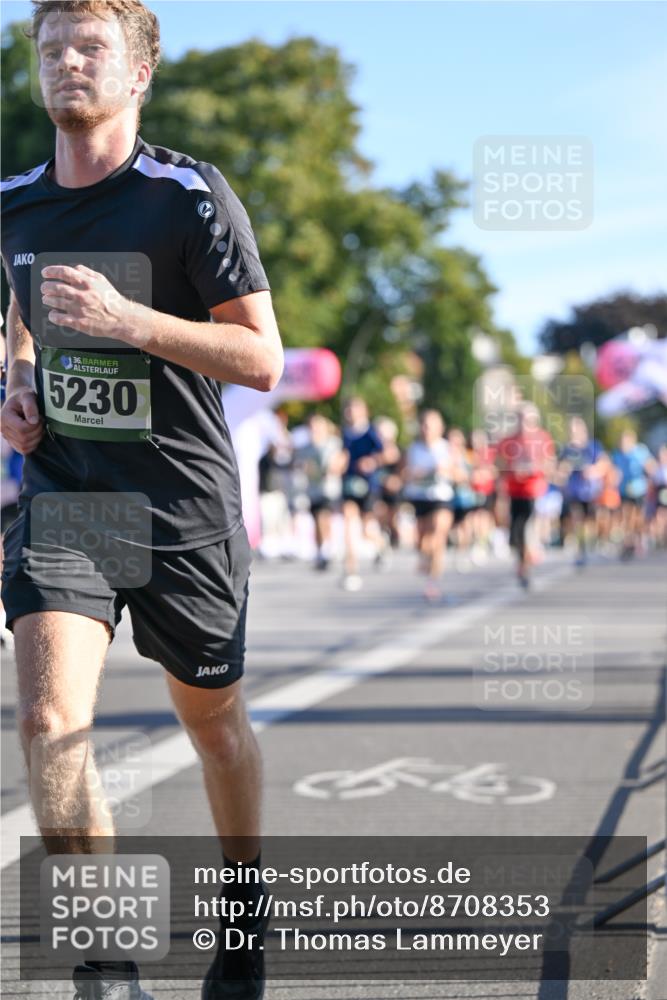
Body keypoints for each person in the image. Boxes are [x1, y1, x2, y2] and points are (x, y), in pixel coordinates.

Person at [0, 3, 283, 998]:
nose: (68, 64)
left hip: (182, 507)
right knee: (47, 721)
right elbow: (22, 310)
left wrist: (128, 319)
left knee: (212, 724)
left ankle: (245, 908)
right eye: (52, 49)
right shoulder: (15, 201)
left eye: (91, 49)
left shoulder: (187, 196)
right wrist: (18, 383)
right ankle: (107, 964)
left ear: (138, 73)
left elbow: (260, 358)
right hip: (71, 497)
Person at [496, 404, 555, 588]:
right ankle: (522, 562)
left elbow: (550, 465)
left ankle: (528, 560)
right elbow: (499, 466)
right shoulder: (508, 442)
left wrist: (533, 468)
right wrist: (510, 472)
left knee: (528, 527)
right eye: (521, 419)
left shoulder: (543, 439)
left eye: (528, 419)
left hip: (533, 490)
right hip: (513, 491)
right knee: (515, 531)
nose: (524, 424)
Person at [402, 410, 455, 601]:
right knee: (422, 542)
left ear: (440, 428)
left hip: (440, 496)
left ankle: (433, 583)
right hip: (419, 497)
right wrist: (413, 474)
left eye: (430, 426)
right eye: (423, 425)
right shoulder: (413, 449)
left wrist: (445, 470)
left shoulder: (446, 447)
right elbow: (404, 472)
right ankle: (425, 558)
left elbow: (456, 471)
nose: (426, 430)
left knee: (438, 534)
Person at [340, 396, 385, 590]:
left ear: (364, 411)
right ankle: (351, 571)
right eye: (348, 409)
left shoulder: (370, 432)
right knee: (350, 525)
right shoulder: (343, 434)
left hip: (367, 486)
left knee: (367, 529)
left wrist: (372, 462)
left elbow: (389, 453)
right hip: (348, 485)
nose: (351, 413)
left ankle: (382, 545)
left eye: (355, 409)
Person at [293, 412, 345, 569]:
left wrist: (334, 467)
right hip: (313, 489)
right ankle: (321, 551)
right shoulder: (305, 448)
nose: (314, 429)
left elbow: (339, 461)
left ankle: (327, 548)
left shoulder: (333, 443)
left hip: (329, 488)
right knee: (316, 520)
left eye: (317, 426)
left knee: (324, 517)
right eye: (312, 426)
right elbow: (298, 464)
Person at [558, 416, 607, 566]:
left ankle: (591, 544)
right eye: (571, 431)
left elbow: (604, 463)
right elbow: (560, 469)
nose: (574, 434)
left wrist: (592, 471)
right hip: (574, 491)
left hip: (590, 491)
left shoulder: (592, 446)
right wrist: (563, 471)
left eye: (576, 430)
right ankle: (581, 550)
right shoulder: (567, 449)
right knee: (576, 519)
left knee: (590, 520)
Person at [612, 429, 656, 559]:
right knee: (626, 515)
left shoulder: (640, 452)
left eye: (626, 441)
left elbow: (651, 466)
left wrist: (649, 476)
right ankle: (628, 540)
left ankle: (639, 538)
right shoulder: (617, 455)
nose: (623, 444)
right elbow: (614, 471)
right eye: (621, 442)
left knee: (638, 517)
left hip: (639, 489)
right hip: (624, 489)